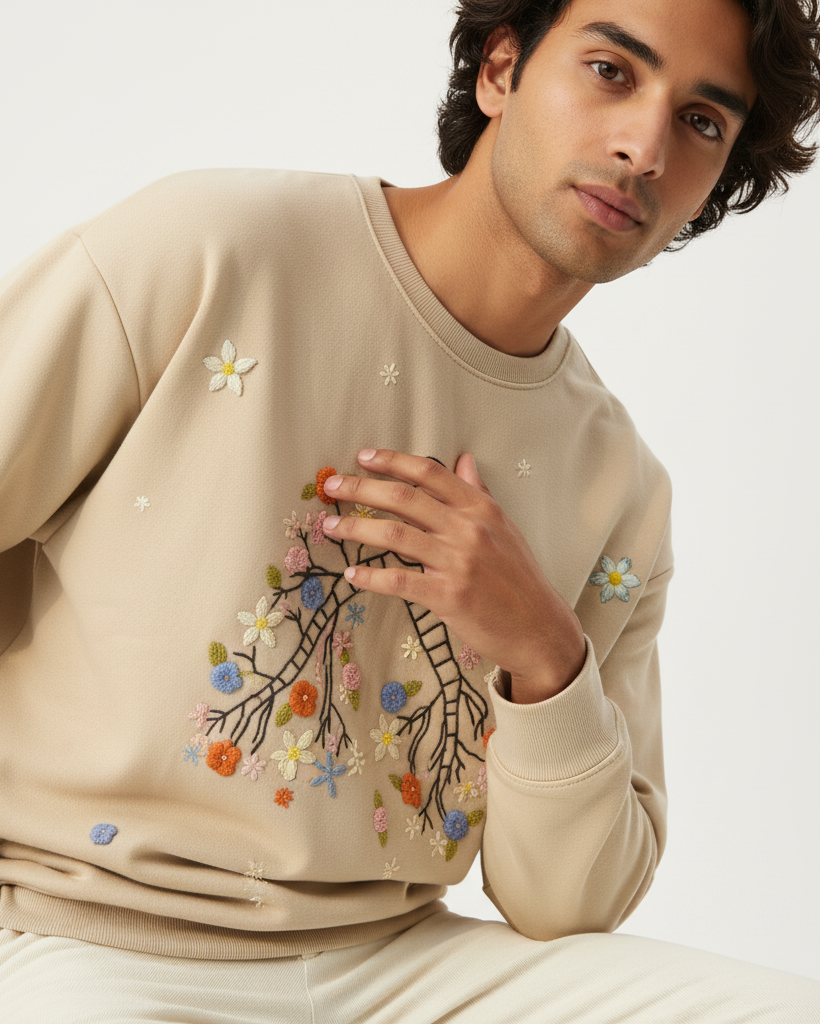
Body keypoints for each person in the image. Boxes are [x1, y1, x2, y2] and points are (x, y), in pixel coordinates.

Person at [1, 0, 819, 1019]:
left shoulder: (621, 489)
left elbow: (567, 902)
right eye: (612, 71)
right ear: (500, 71)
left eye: (702, 120)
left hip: (391, 964)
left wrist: (541, 650)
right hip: (82, 935)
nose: (642, 144)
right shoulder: (211, 251)